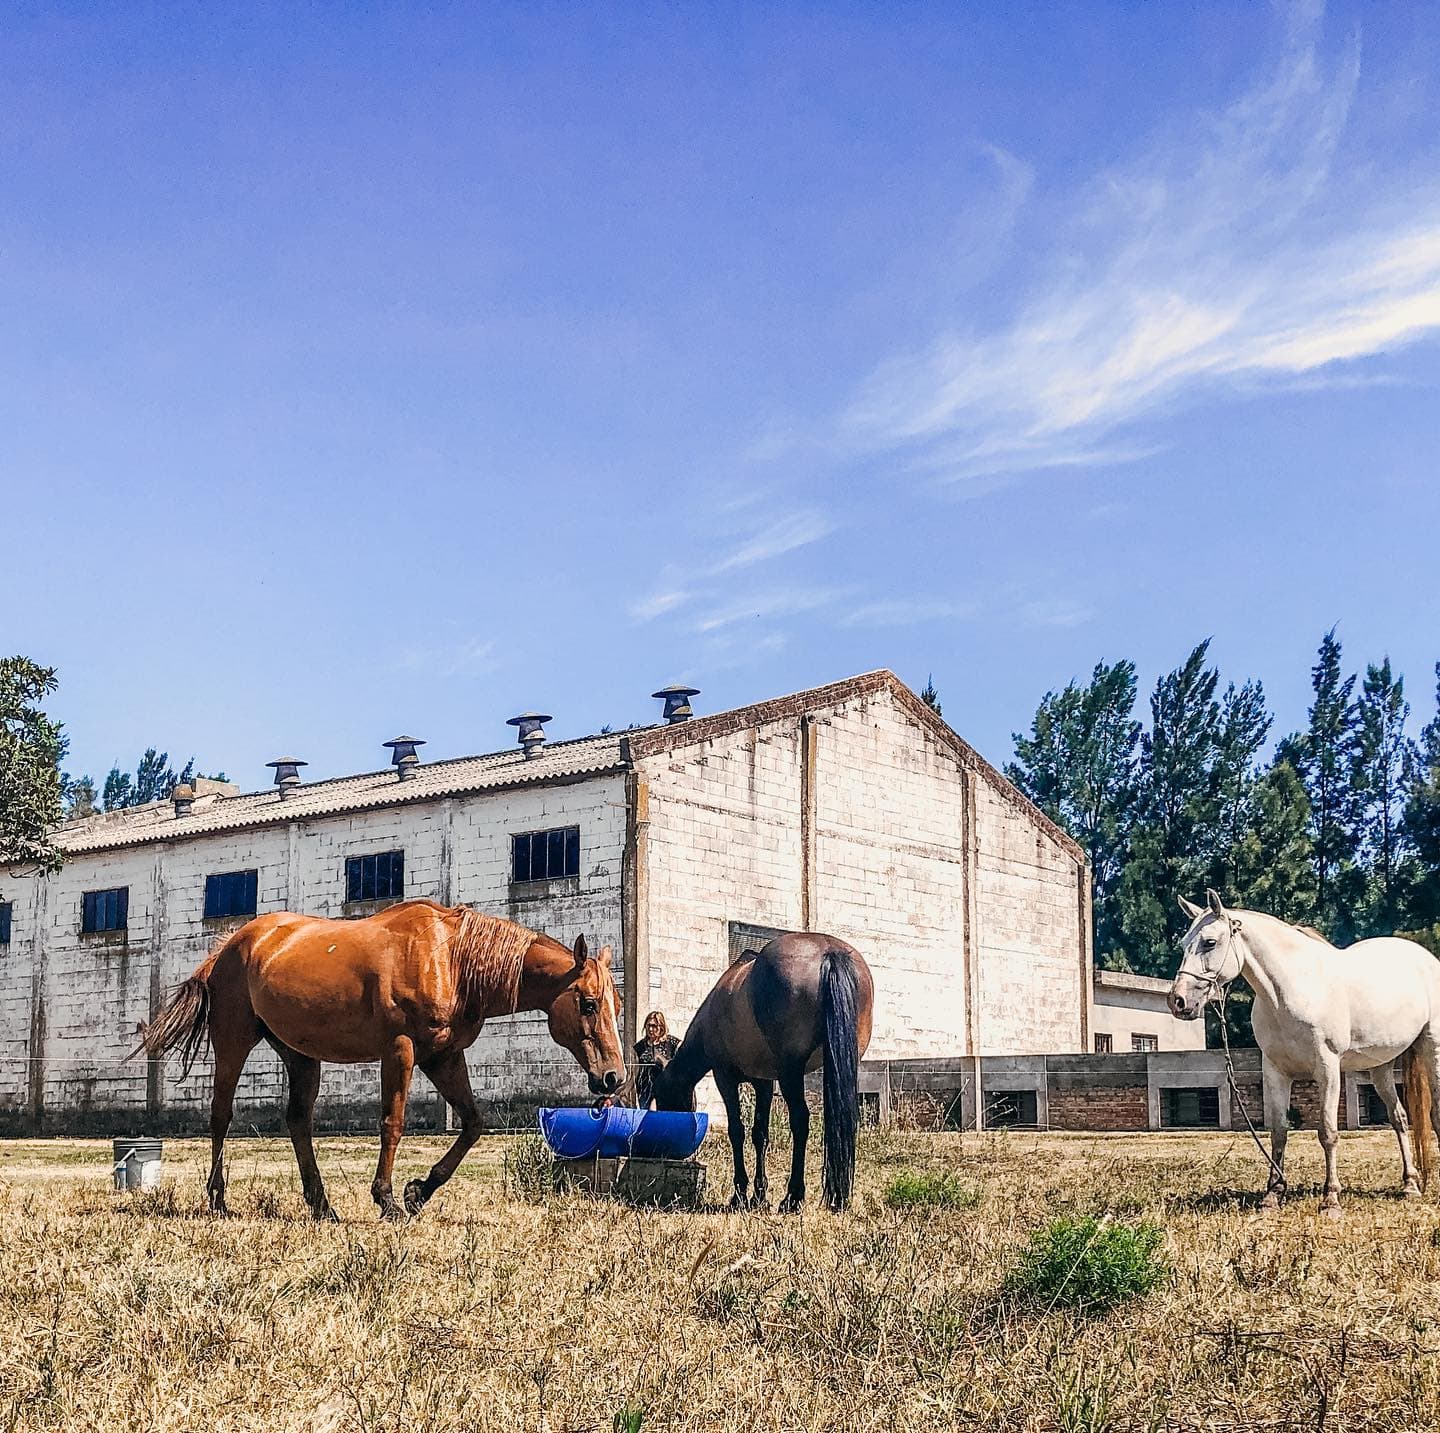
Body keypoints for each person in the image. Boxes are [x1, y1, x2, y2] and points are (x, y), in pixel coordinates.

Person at [633, 1010, 681, 1109]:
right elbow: (633, 1074)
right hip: (645, 1092)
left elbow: (684, 1057)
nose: (650, 1029)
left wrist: (663, 1061)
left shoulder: (671, 1043)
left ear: (661, 1027)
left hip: (667, 1092)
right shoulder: (639, 1047)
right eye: (648, 1025)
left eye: (654, 1026)